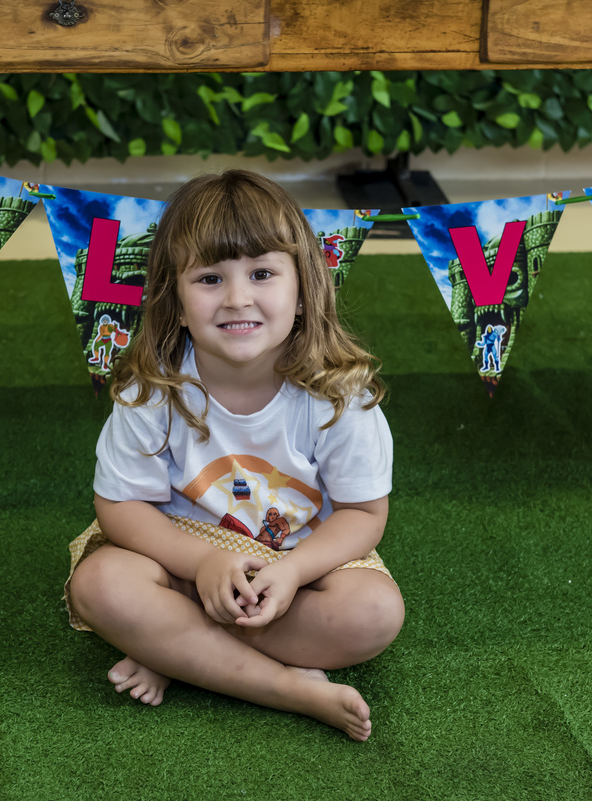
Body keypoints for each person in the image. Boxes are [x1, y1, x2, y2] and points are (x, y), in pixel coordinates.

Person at [64, 170, 404, 742]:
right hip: (176, 560)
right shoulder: (152, 390)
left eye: (263, 273)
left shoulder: (341, 396)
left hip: (298, 560)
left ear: (303, 293)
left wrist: (291, 572)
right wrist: (200, 566)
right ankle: (288, 688)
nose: (238, 297)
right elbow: (118, 508)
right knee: (99, 585)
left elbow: (364, 515)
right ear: (174, 302)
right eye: (210, 278)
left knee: (373, 613)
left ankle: (177, 653)